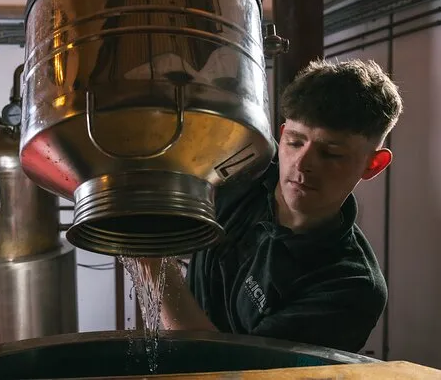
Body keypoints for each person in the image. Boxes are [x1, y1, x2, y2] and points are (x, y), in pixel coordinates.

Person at [136, 58, 404, 353]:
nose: (302, 164)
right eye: (295, 142)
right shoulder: (243, 170)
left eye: (331, 153)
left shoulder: (350, 287)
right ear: (282, 133)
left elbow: (231, 367)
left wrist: (151, 261)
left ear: (373, 164)